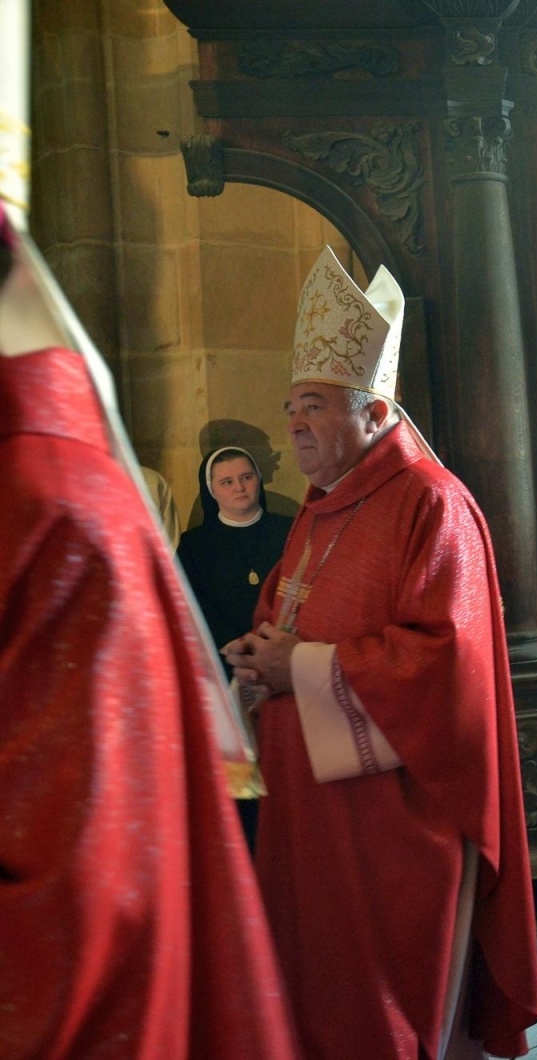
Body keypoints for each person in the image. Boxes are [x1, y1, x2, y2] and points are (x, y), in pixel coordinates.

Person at [223, 246, 537, 1058]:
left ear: (375, 410)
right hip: (309, 812)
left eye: (317, 405)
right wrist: (260, 659)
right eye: (292, 405)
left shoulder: (432, 505)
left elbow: (445, 667)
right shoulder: (320, 509)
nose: (295, 422)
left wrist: (296, 665)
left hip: (395, 823)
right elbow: (284, 616)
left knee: (381, 1006)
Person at [0, 206, 296, 1058]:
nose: (242, 485)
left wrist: (292, 659)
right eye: (227, 477)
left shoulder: (49, 499)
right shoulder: (171, 533)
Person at [180, 446, 294, 655]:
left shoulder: (292, 530)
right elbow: (189, 605)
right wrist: (236, 647)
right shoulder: (193, 545)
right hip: (224, 656)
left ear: (258, 479)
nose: (239, 487)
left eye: (246, 477)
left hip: (285, 650)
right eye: (227, 482)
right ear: (211, 490)